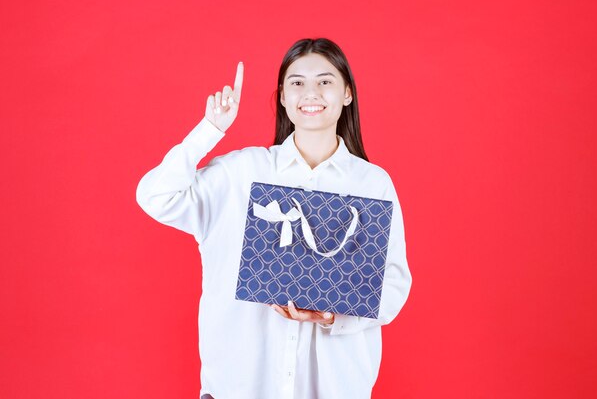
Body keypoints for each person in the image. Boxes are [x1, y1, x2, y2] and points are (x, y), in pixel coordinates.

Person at [136, 38, 412, 399]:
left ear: (347, 94)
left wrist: (334, 316)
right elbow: (156, 196)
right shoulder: (241, 173)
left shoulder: (372, 185)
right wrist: (210, 129)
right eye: (297, 83)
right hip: (239, 386)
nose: (310, 92)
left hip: (332, 387)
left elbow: (392, 284)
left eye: (325, 81)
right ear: (282, 96)